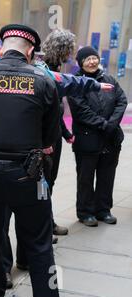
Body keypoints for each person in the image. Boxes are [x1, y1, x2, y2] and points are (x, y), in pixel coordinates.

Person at [1, 29, 115, 288]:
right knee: (7, 213)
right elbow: (65, 81)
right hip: (16, 152)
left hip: (40, 149)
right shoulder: (37, 71)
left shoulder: (42, 71)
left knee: (36, 202)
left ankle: (25, 258)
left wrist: (60, 135)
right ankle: (4, 267)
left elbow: (62, 91)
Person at [0, 24, 61, 297]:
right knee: (41, 246)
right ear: (31, 52)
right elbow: (50, 138)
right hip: (29, 176)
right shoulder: (44, 81)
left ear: (1, 49)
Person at [68, 46, 128, 227]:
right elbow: (81, 111)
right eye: (88, 59)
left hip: (111, 139)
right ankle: (85, 212)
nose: (92, 61)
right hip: (88, 139)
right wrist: (104, 125)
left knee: (107, 175)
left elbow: (121, 101)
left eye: (94, 58)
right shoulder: (75, 82)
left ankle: (103, 209)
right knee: (85, 177)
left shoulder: (109, 79)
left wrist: (111, 124)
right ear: (81, 63)